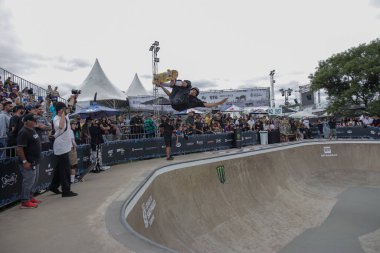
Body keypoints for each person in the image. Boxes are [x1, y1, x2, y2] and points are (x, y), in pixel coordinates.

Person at [49, 102, 78, 197]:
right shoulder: (56, 119)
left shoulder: (65, 117)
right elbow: (61, 126)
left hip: (66, 145)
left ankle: (53, 186)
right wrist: (62, 115)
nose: (66, 110)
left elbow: (71, 105)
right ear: (60, 110)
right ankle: (66, 190)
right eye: (64, 109)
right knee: (65, 170)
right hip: (60, 147)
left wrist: (74, 97)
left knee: (59, 168)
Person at [16, 114, 42, 208]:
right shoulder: (23, 132)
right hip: (28, 162)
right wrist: (24, 162)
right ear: (27, 121)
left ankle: (30, 197)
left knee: (34, 180)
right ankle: (25, 201)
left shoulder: (32, 129)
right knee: (28, 181)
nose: (35, 122)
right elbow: (19, 148)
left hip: (35, 160)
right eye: (33, 120)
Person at [155, 78, 228, 111]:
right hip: (174, 102)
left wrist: (219, 103)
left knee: (188, 84)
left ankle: (174, 81)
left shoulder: (195, 100)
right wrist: (161, 87)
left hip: (180, 106)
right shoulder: (183, 93)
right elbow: (170, 95)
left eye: (195, 93)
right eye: (193, 91)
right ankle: (164, 83)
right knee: (180, 87)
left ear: (195, 95)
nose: (193, 92)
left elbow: (208, 105)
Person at [69, 119, 78, 183]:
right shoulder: (70, 131)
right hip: (71, 149)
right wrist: (76, 146)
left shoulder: (69, 131)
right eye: (74, 124)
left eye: (75, 124)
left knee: (71, 166)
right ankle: (72, 180)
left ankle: (72, 179)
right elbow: (73, 141)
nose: (75, 125)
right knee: (73, 165)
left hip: (69, 149)